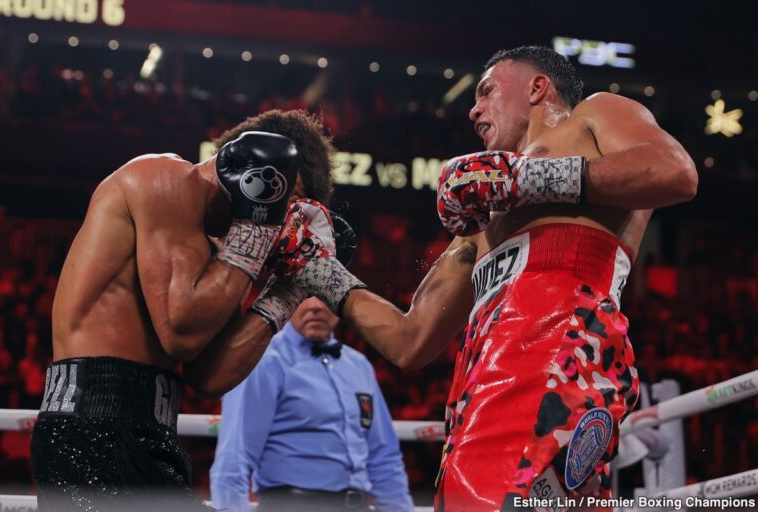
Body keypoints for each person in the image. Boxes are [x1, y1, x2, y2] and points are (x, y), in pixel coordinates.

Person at [260, 46, 697, 511]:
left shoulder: (594, 116)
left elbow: (675, 172)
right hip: (479, 393)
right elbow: (410, 340)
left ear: (537, 88)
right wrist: (318, 268)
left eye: (487, 91)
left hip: (558, 357)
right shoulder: (483, 218)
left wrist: (526, 178)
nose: (473, 110)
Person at [30, 109, 337, 511]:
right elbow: (180, 331)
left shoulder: (223, 255)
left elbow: (209, 377)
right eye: (284, 201)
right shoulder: (163, 179)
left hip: (153, 433)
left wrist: (288, 291)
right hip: (90, 430)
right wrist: (258, 231)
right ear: (251, 168)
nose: (281, 224)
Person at [210, 297, 413, 512]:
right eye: (305, 296)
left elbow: (384, 458)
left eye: (324, 296)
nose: (315, 306)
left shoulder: (359, 366)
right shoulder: (263, 362)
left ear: (340, 302)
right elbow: (233, 461)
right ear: (289, 299)